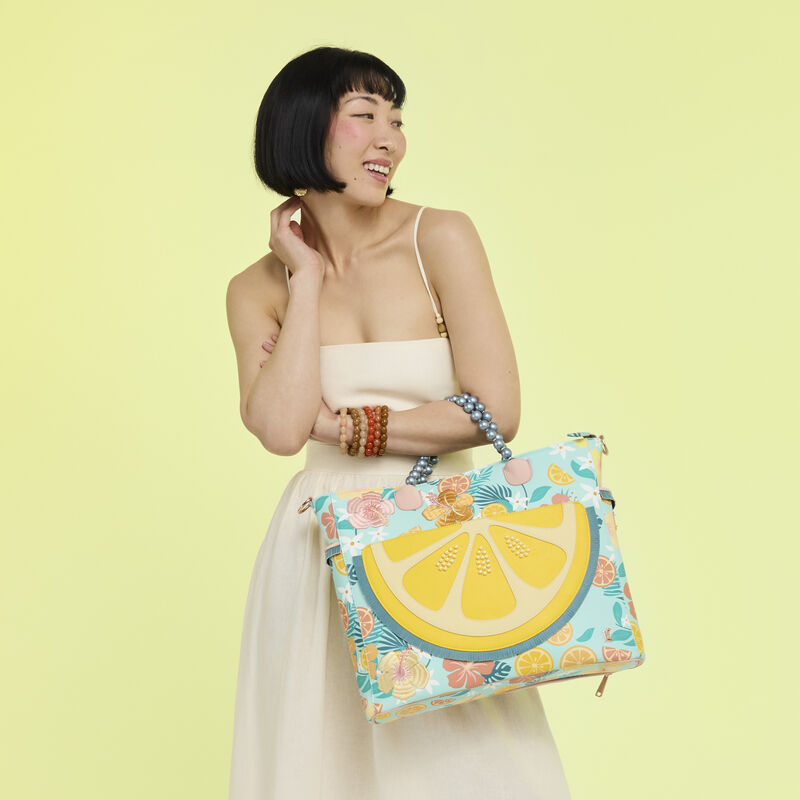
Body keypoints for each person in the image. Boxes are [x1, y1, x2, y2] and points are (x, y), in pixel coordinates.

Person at [225, 45, 572, 799]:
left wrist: (344, 428)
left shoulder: (439, 237)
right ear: (302, 128)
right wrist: (306, 279)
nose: (390, 139)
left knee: (474, 770)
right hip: (317, 546)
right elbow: (281, 430)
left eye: (397, 120)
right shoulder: (258, 288)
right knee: (325, 768)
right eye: (365, 116)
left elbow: (496, 408)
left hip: (439, 533)